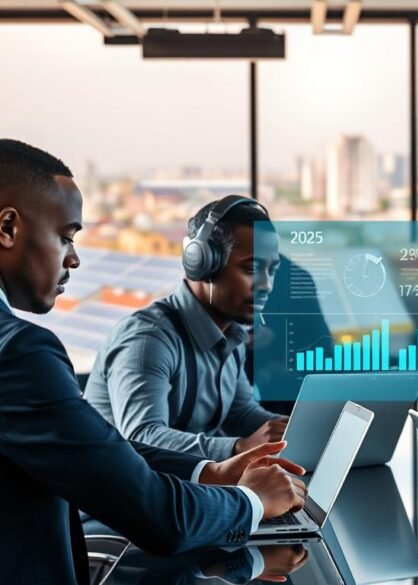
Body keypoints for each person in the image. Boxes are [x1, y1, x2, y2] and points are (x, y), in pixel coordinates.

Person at [0, 138, 307, 584]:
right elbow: (160, 516)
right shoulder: (22, 354)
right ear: (7, 227)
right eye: (66, 236)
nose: (74, 257)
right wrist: (252, 501)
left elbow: (99, 446)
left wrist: (210, 470)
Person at [86, 196, 287, 461]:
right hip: (122, 497)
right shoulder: (148, 339)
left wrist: (293, 430)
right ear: (203, 264)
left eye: (271, 271)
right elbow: (141, 436)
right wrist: (239, 447)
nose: (267, 285)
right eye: (251, 269)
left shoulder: (232, 334)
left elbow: (239, 413)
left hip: (185, 488)